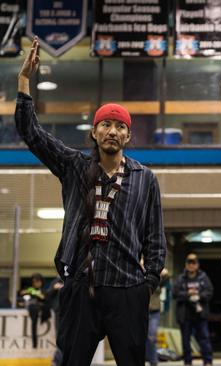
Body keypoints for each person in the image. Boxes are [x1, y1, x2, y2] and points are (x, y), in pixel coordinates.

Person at [15, 38, 166, 366]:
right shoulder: (74, 166)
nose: (113, 131)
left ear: (128, 136)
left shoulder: (145, 178)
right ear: (94, 132)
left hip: (127, 289)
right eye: (106, 124)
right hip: (81, 288)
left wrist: (147, 285)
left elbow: (155, 238)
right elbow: (32, 133)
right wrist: (25, 81)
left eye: (120, 126)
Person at [172, 254, 214, 366]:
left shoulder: (203, 277)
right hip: (185, 315)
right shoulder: (181, 278)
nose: (191, 265)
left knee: (204, 338)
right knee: (186, 341)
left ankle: (208, 361)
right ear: (186, 265)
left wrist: (199, 295)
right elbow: (174, 293)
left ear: (197, 265)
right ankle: (187, 362)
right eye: (189, 263)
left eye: (193, 263)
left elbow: (209, 292)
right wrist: (187, 294)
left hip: (200, 314)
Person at [147, 267, 169, 366]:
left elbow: (166, 277)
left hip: (154, 310)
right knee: (140, 337)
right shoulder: (138, 274)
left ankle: (153, 361)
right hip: (141, 309)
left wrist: (164, 273)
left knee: (152, 336)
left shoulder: (155, 276)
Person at [20, 273, 45, 348]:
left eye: (37, 281)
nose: (36, 283)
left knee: (34, 325)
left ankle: (35, 344)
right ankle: (34, 344)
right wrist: (30, 291)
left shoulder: (42, 290)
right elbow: (22, 292)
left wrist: (36, 293)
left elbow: (43, 297)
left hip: (38, 308)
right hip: (31, 308)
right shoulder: (30, 289)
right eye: (34, 282)